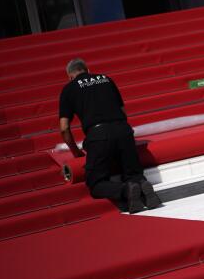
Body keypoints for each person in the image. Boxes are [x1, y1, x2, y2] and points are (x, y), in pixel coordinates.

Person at [58, 58, 161, 213]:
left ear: (70, 76)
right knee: (133, 173)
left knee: (96, 183)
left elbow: (64, 128)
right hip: (123, 130)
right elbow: (123, 112)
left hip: (98, 135)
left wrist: (75, 151)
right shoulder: (106, 79)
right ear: (87, 70)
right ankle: (140, 183)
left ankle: (126, 190)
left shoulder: (69, 89)